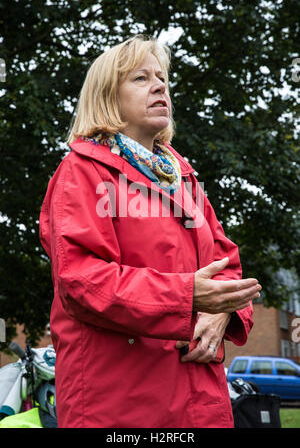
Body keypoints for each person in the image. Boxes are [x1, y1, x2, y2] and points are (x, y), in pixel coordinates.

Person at [39, 35, 261, 428]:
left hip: (201, 403)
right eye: (141, 78)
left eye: (162, 77)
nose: (160, 85)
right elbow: (81, 280)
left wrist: (225, 311)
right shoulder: (81, 171)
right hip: (121, 406)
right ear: (108, 97)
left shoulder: (184, 178)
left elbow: (227, 265)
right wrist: (188, 298)